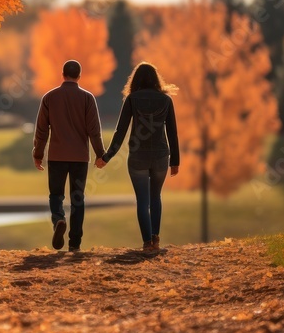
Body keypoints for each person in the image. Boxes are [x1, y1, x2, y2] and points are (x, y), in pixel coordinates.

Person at [99, 62, 180, 253]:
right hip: (161, 156)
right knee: (156, 197)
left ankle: (146, 243)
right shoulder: (166, 100)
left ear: (135, 80)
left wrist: (107, 156)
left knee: (142, 201)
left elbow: (120, 131)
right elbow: (172, 133)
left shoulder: (132, 99)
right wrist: (175, 161)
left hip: (138, 157)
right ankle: (156, 240)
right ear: (156, 80)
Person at [33, 60, 105, 252]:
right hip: (80, 158)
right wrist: (100, 154)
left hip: (56, 156)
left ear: (62, 74)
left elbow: (42, 131)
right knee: (77, 199)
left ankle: (58, 220)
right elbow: (94, 131)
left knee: (56, 195)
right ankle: (75, 243)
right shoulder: (88, 99)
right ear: (79, 76)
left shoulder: (49, 98)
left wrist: (38, 153)